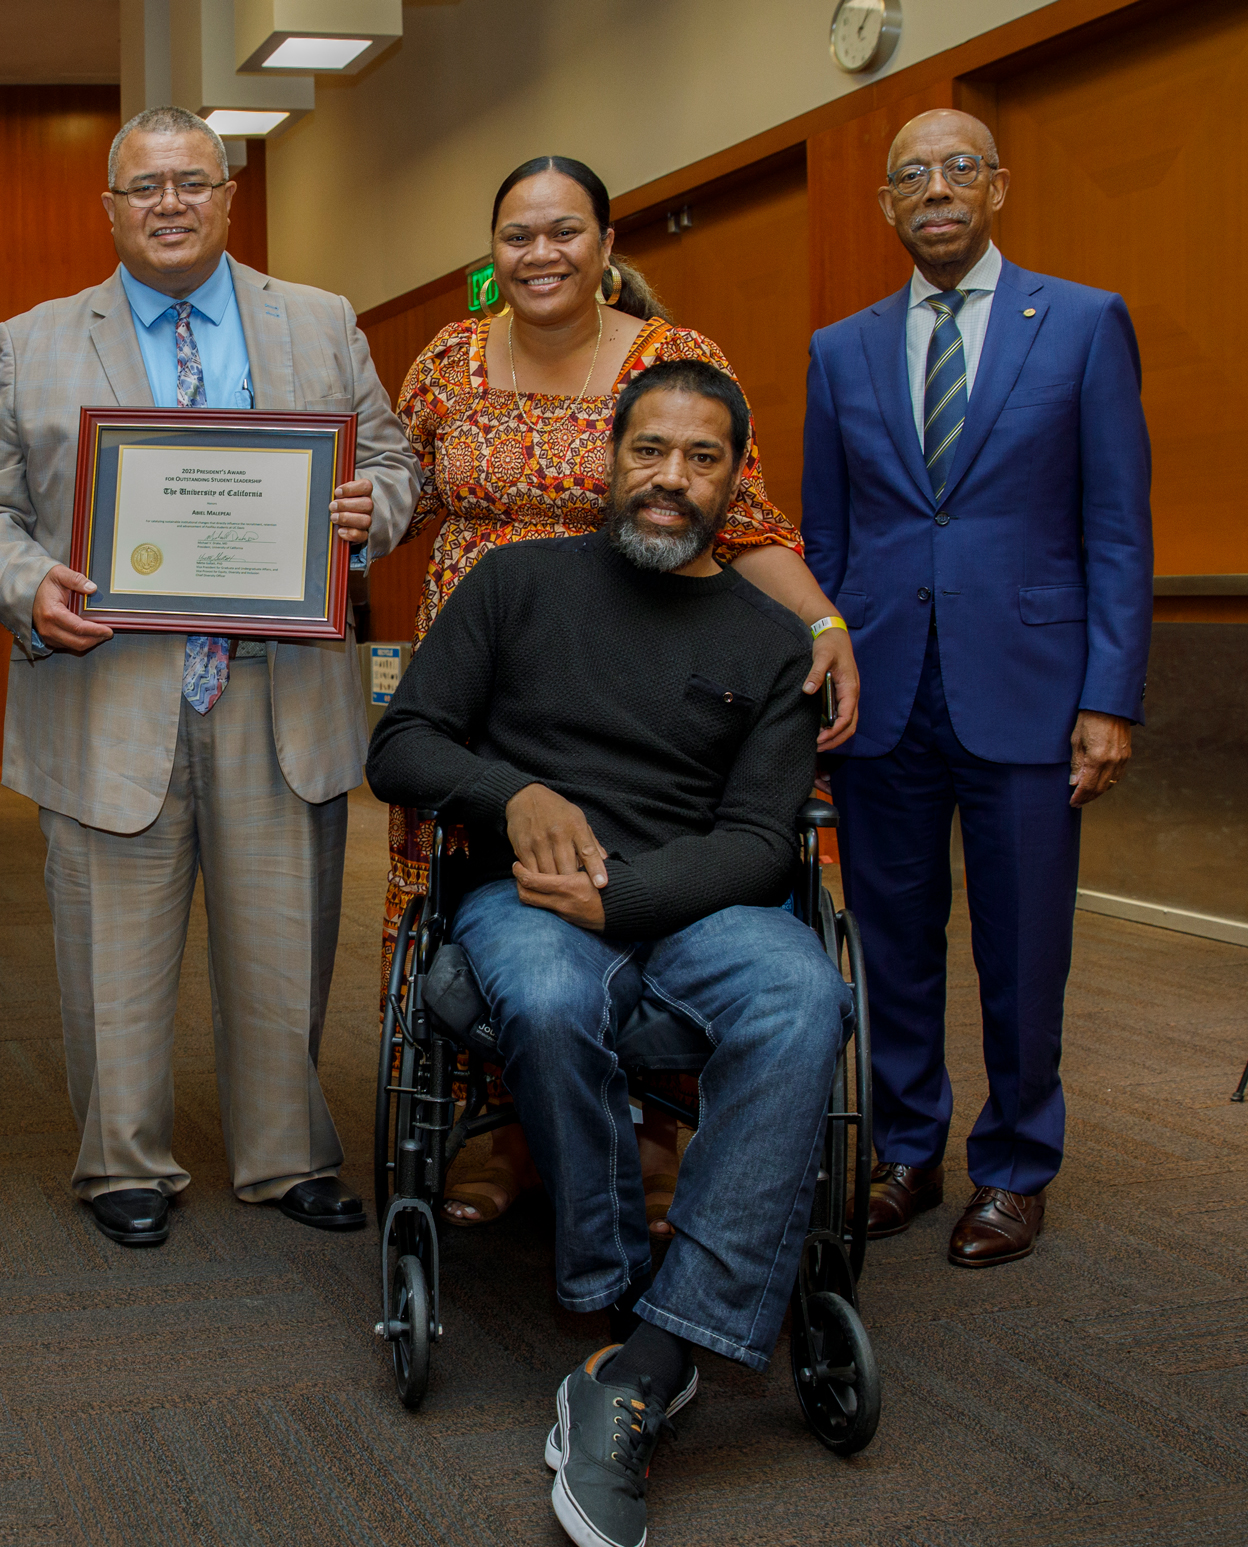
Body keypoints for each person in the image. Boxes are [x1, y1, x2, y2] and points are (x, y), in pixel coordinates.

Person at [368, 359, 846, 1547]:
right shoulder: (512, 582)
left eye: (699, 458)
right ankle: (606, 1280)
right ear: (608, 457)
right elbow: (402, 745)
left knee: (804, 992)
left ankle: (646, 1353)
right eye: (647, 450)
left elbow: (753, 843)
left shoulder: (771, 640)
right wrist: (512, 788)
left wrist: (622, 895)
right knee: (538, 986)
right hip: (521, 900)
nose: (667, 479)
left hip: (688, 903)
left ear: (734, 481)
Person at [0, 106, 419, 1248]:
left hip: (276, 692)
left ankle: (284, 1152)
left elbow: (393, 461)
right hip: (106, 691)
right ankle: (122, 1160)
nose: (168, 203)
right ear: (108, 209)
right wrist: (29, 585)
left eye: (190, 182)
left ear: (227, 195)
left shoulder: (318, 319)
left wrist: (371, 510)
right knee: (111, 948)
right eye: (143, 186)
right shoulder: (34, 338)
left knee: (281, 941)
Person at [387, 155, 860, 1231]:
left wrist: (820, 624)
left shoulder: (671, 357)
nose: (540, 253)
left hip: (654, 637)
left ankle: (649, 1139)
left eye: (565, 232)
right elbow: (395, 499)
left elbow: (737, 514)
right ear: (490, 249)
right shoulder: (447, 359)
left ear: (606, 245)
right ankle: (508, 1133)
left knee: (664, 874)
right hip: (491, 654)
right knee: (506, 913)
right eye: (517, 234)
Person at [803, 110, 1151, 1267]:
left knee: (1022, 944)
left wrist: (1108, 695)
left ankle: (1012, 1164)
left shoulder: (1086, 323)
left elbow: (1114, 528)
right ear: (885, 207)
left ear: (996, 187)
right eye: (911, 175)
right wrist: (819, 676)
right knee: (894, 936)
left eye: (958, 168)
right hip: (881, 696)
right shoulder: (838, 349)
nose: (935, 188)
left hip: (1031, 689)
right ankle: (907, 1148)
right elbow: (826, 541)